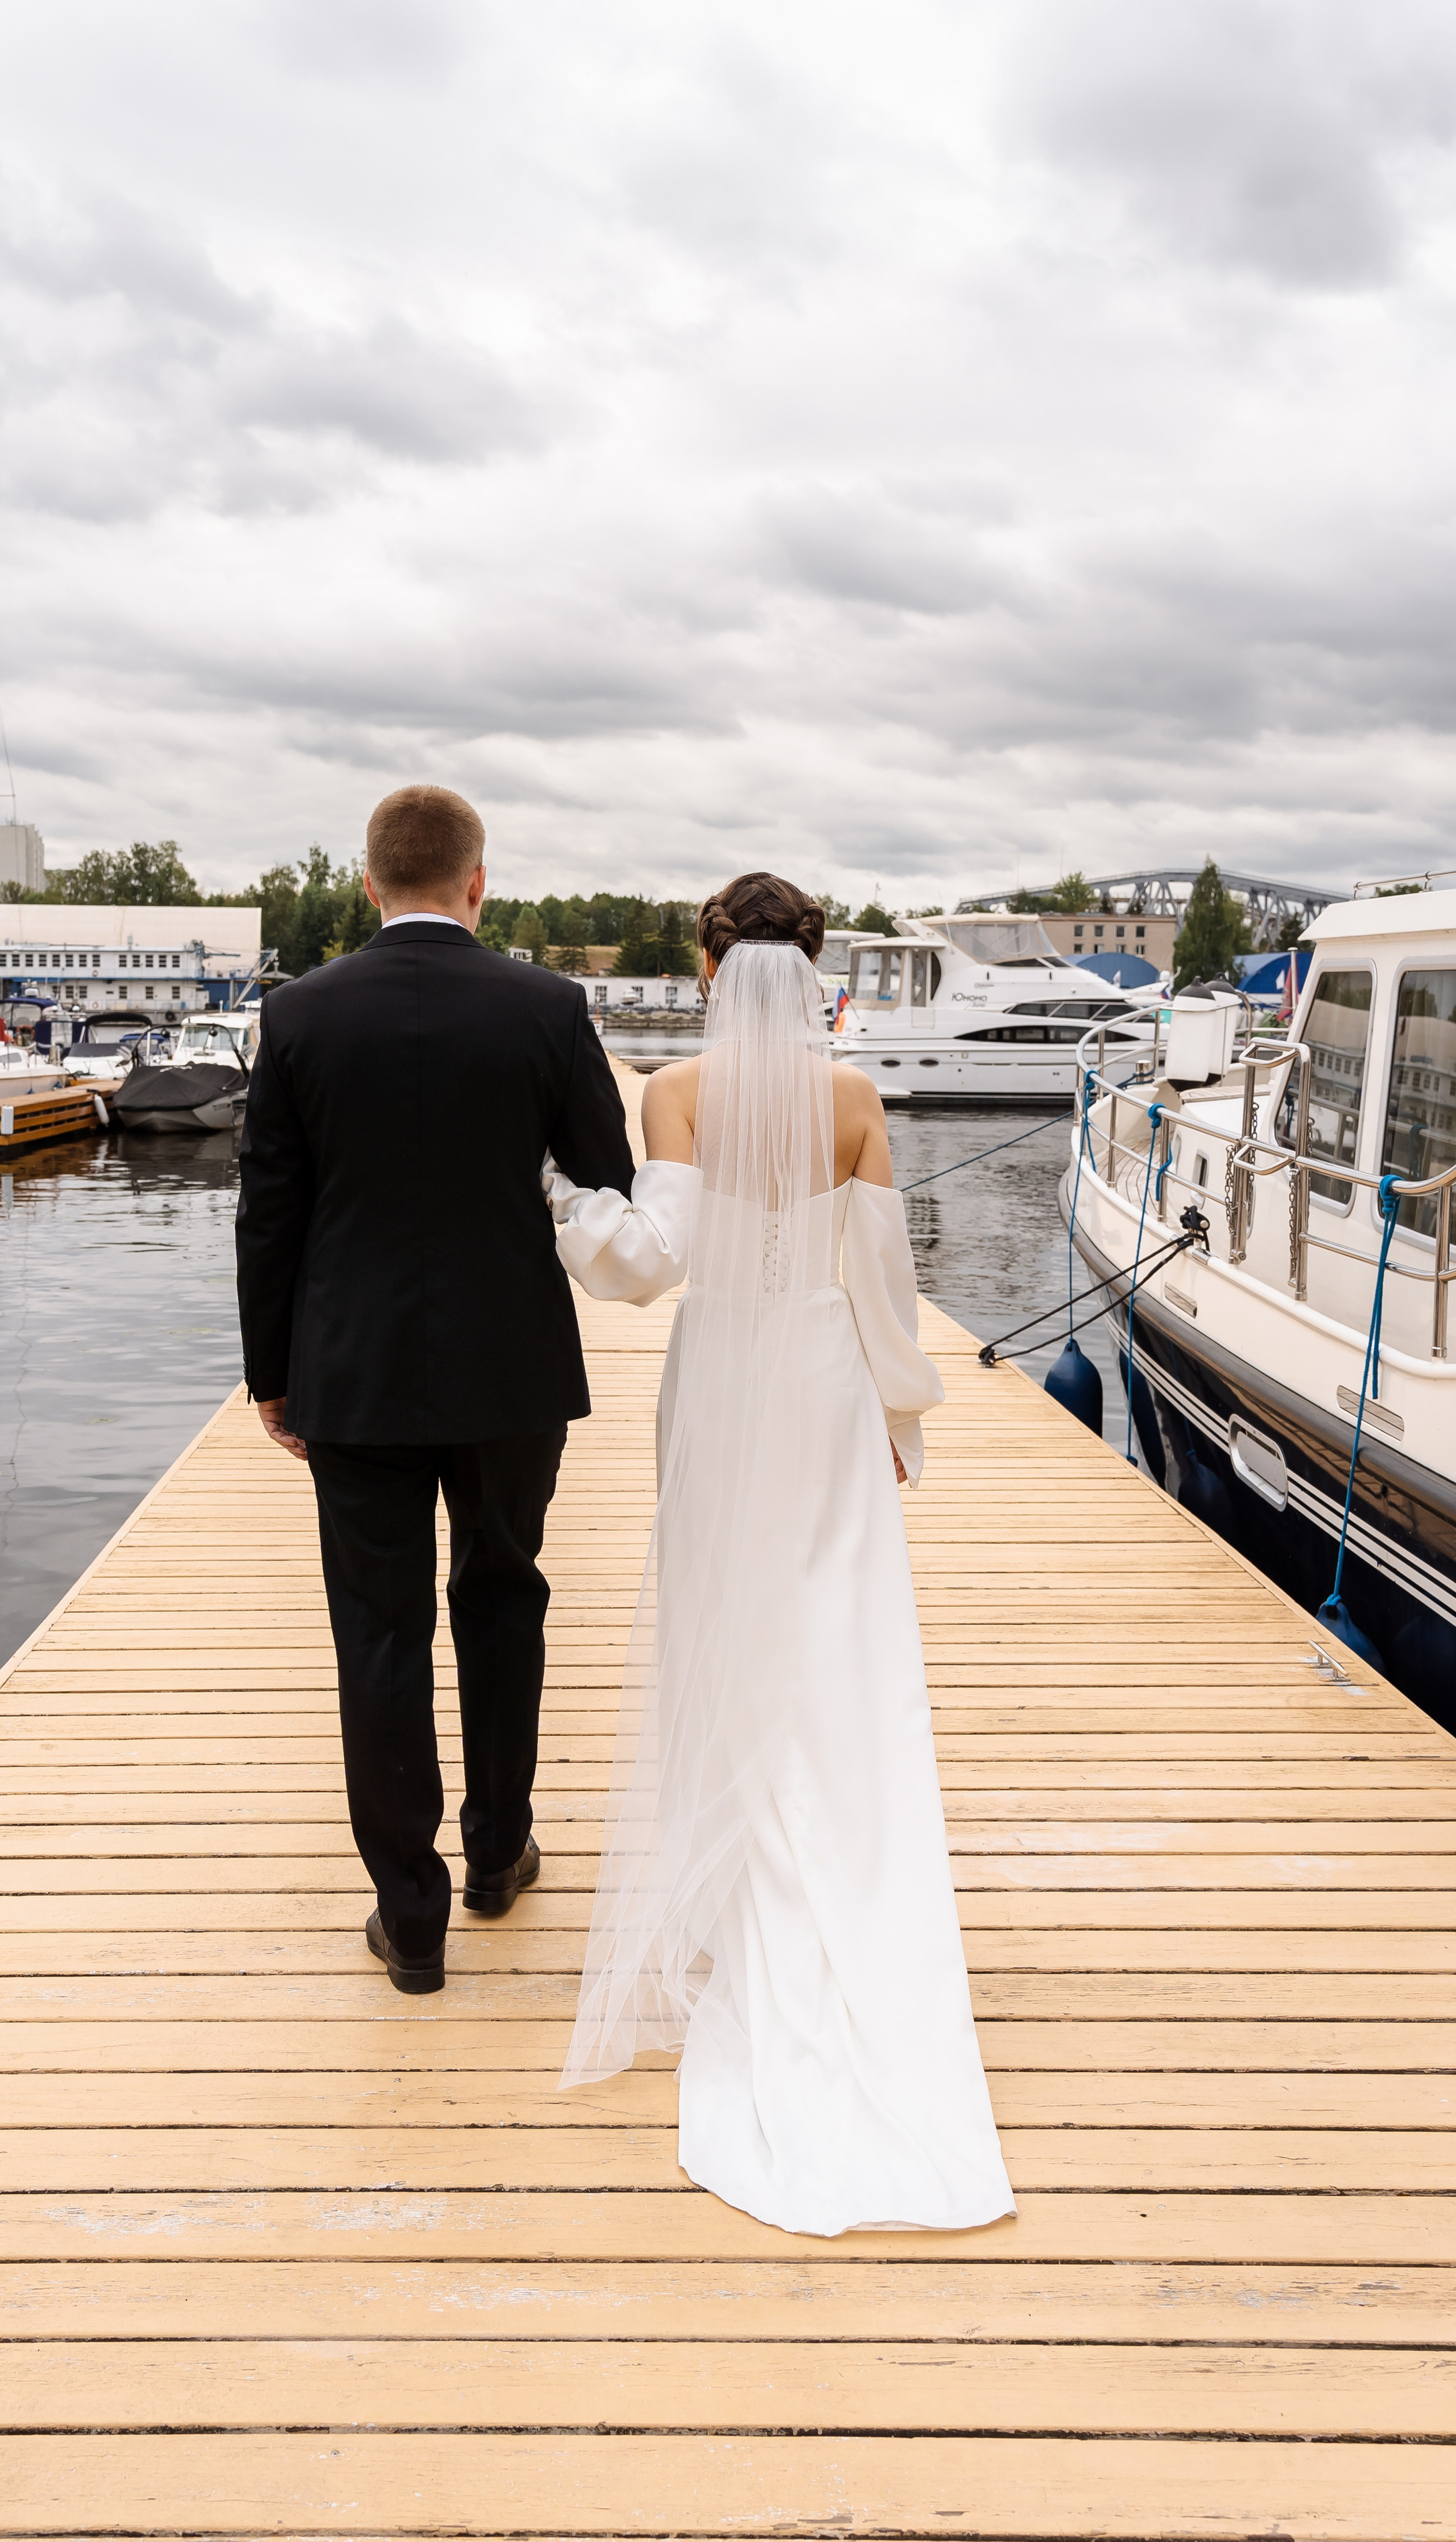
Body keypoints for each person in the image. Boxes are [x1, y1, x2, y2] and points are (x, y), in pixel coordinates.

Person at [546, 870, 1014, 2237]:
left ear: (709, 966)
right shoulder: (855, 1099)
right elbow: (882, 1285)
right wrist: (899, 1416)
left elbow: (651, 1264)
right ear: (813, 969)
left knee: (718, 1613)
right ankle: (841, 1856)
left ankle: (733, 1870)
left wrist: (562, 1206)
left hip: (723, 1373)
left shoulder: (676, 1093)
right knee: (834, 1630)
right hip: (821, 1378)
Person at [234, 784, 635, 1994]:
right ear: (478, 883)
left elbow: (269, 1212)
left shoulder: (299, 1013)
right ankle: (499, 1854)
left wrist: (271, 1375)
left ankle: (411, 1919)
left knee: (379, 1627)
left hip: (350, 1368)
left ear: (368, 885)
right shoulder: (547, 1007)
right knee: (504, 1598)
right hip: (510, 1363)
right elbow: (605, 1173)